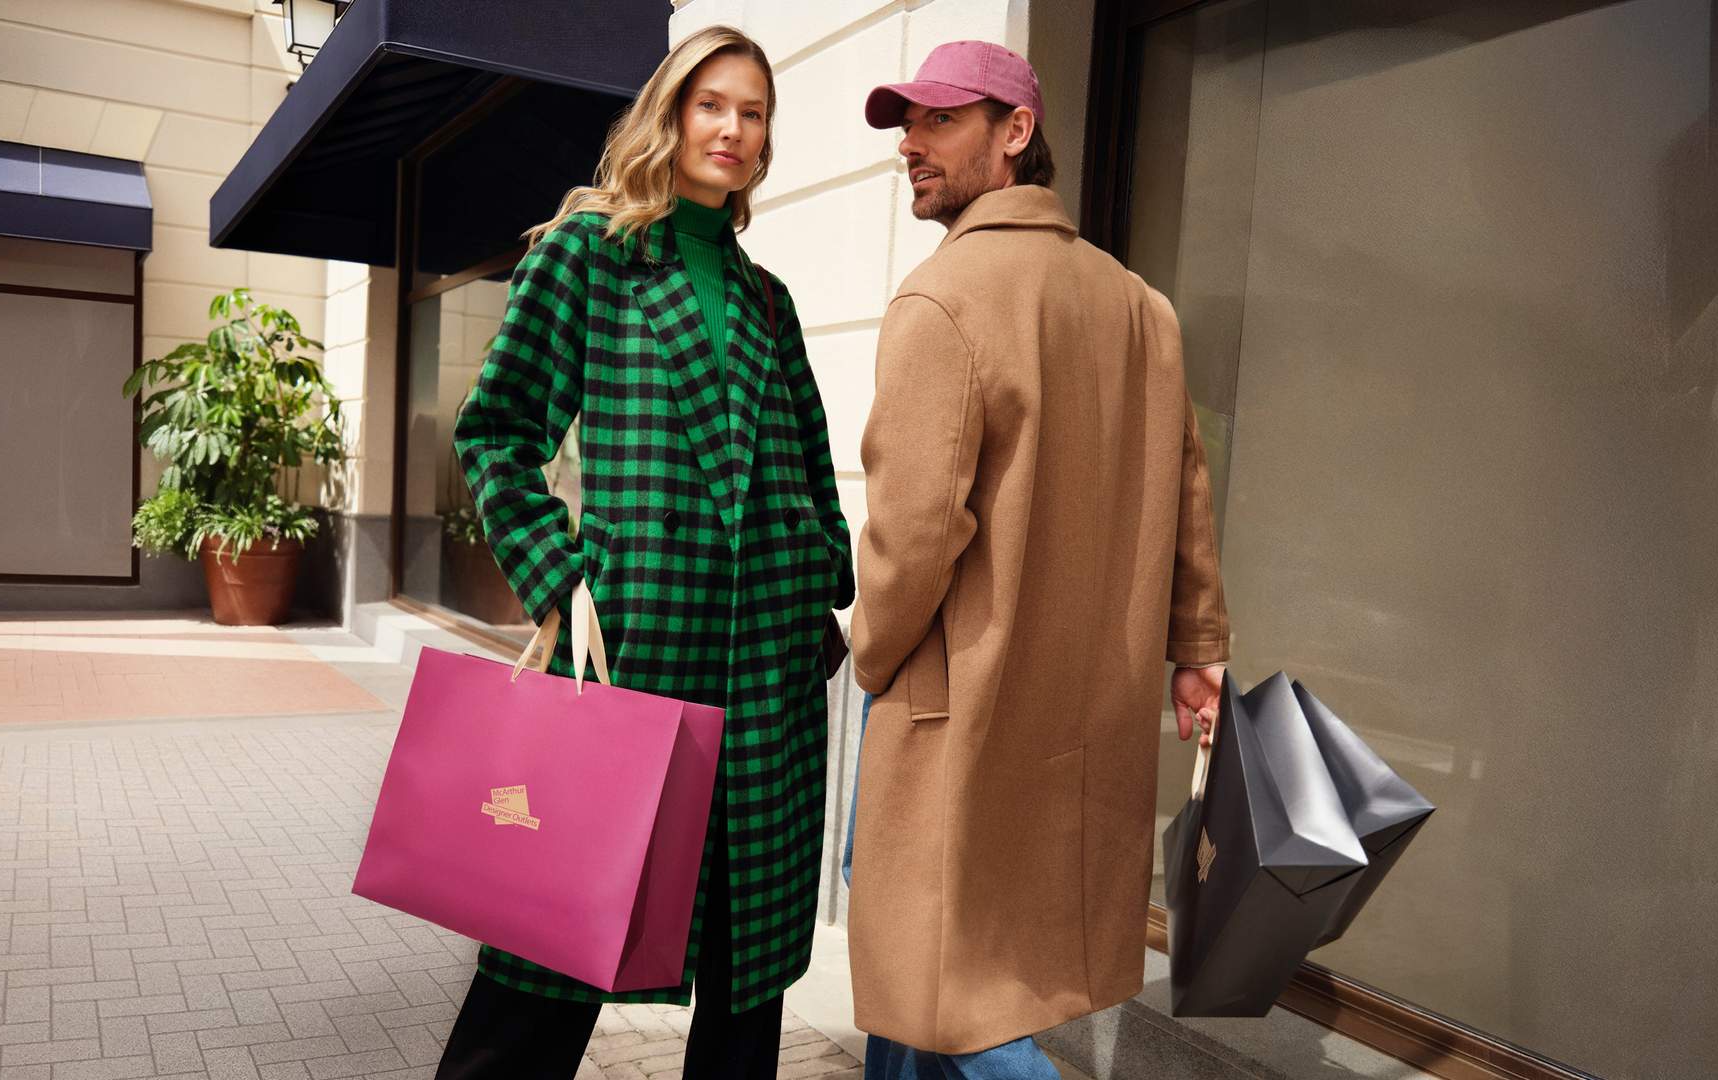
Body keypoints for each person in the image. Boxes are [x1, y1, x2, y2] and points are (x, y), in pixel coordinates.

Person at [441, 25, 853, 1080]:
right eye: (711, 104)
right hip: (633, 654)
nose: (732, 128)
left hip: (764, 679)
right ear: (669, 114)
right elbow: (497, 430)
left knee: (746, 983)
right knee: (551, 951)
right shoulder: (590, 252)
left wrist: (820, 584)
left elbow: (813, 468)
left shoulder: (768, 301)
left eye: (752, 112)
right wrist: (558, 576)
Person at [846, 39, 1231, 1079]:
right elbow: (1188, 498)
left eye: (940, 121)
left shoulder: (943, 299)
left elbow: (913, 535)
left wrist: (871, 655)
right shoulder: (1141, 307)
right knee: (941, 976)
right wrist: (1196, 648)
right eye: (908, 124)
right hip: (1085, 713)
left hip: (955, 706)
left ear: (1016, 131)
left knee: (942, 978)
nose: (912, 145)